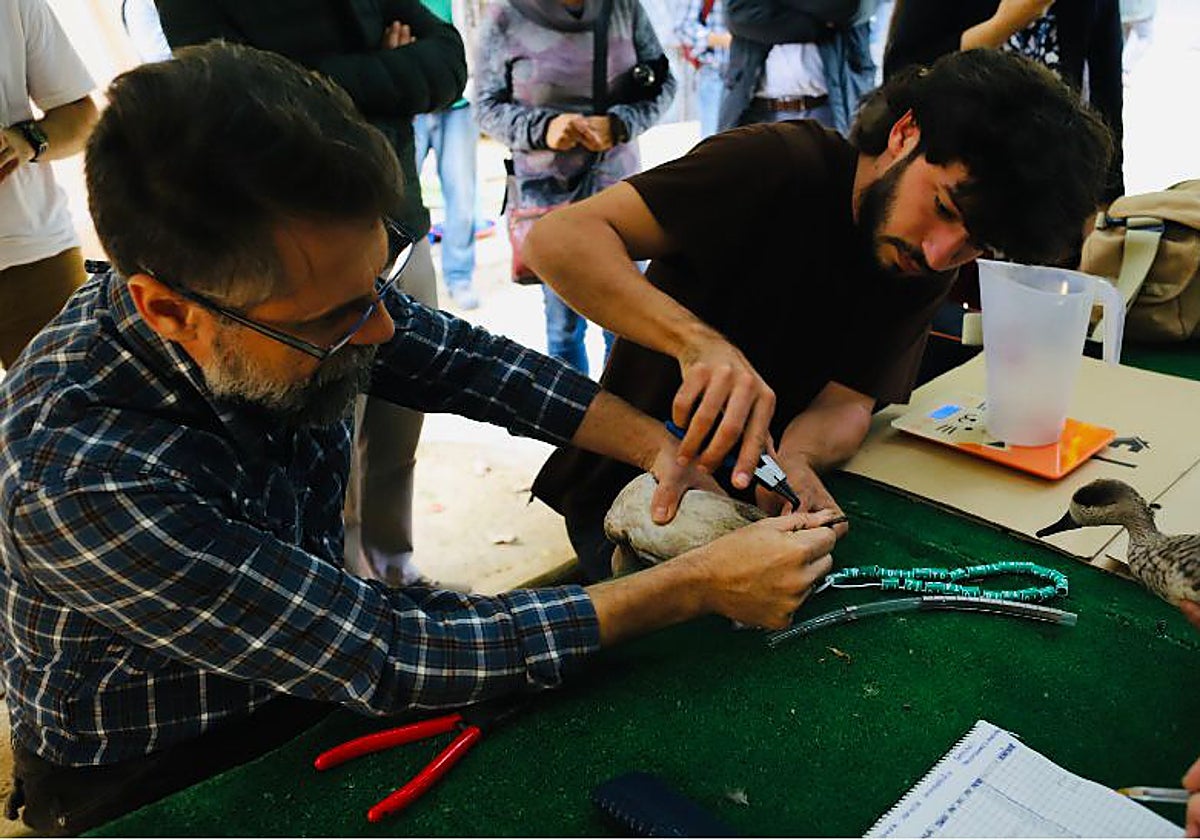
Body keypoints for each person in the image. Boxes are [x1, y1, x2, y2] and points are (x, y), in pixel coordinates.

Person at [0, 43, 838, 835]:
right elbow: (390, 650)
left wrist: (662, 449)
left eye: (380, 281)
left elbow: (466, 363)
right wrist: (693, 586)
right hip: (161, 766)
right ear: (169, 311)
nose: (379, 330)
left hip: (308, 675)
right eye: (335, 318)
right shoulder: (78, 478)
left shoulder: (282, 300)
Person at [526, 48, 1112, 581]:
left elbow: (849, 400)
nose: (940, 254)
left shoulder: (926, 261)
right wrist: (696, 344)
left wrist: (799, 458)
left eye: (975, 244)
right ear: (906, 133)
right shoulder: (775, 164)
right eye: (942, 207)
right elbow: (559, 240)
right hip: (632, 484)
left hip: (756, 508)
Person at [158, 0, 466, 587]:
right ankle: (342, 583)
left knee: (401, 426)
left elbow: (449, 63)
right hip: (298, 256)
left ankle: (394, 569)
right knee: (323, 440)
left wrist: (329, 79)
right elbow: (241, 105)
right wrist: (389, 75)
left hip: (399, 224)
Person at [475, 0, 677, 376]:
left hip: (618, 191)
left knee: (630, 325)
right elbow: (485, 108)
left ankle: (626, 407)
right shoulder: (505, 16)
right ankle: (574, 412)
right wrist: (544, 129)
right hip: (548, 199)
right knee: (563, 327)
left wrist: (620, 124)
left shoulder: (624, 8)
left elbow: (663, 82)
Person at [884, 0, 1124, 205]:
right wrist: (1004, 23)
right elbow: (903, 77)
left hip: (1048, 185)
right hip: (955, 181)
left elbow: (1107, 93)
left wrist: (1107, 202)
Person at [0, 0, 100, 371]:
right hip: (36, 247)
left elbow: (81, 116)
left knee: (86, 396)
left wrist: (25, 141)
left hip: (37, 256)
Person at [414, 0, 484, 311]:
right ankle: (399, 278)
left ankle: (459, 277)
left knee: (462, 197)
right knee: (400, 197)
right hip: (410, 102)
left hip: (460, 103)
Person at [718, 0, 877, 134]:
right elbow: (738, 14)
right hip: (758, 110)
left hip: (831, 106)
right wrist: (817, 27)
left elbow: (850, 7)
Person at [675, 0, 731, 138]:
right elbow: (683, 28)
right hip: (714, 72)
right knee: (713, 138)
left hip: (750, 74)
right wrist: (722, 40)